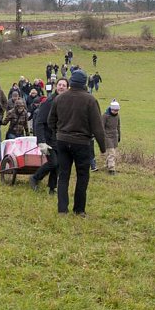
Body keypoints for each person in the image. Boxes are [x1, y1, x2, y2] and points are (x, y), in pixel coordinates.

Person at [48, 69, 106, 216]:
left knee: (63, 175)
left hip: (62, 141)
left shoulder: (59, 98)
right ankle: (79, 210)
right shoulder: (90, 100)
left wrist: (59, 132)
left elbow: (50, 121)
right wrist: (103, 147)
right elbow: (97, 127)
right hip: (82, 143)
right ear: (84, 83)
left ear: (71, 82)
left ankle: (62, 210)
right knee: (82, 176)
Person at [30, 77, 68, 194]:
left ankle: (52, 188)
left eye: (64, 85)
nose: (61, 87)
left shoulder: (66, 101)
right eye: (59, 85)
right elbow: (39, 121)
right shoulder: (49, 101)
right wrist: (41, 141)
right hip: (47, 138)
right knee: (53, 162)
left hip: (59, 138)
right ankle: (35, 178)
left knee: (58, 164)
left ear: (67, 88)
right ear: (56, 86)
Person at [102, 99, 121, 175]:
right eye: (114, 110)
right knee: (112, 153)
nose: (115, 112)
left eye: (117, 110)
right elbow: (101, 127)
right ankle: (111, 169)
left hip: (114, 136)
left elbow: (118, 126)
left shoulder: (117, 116)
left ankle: (107, 165)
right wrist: (103, 136)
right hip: (107, 137)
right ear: (110, 109)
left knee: (110, 153)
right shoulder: (105, 116)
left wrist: (119, 135)